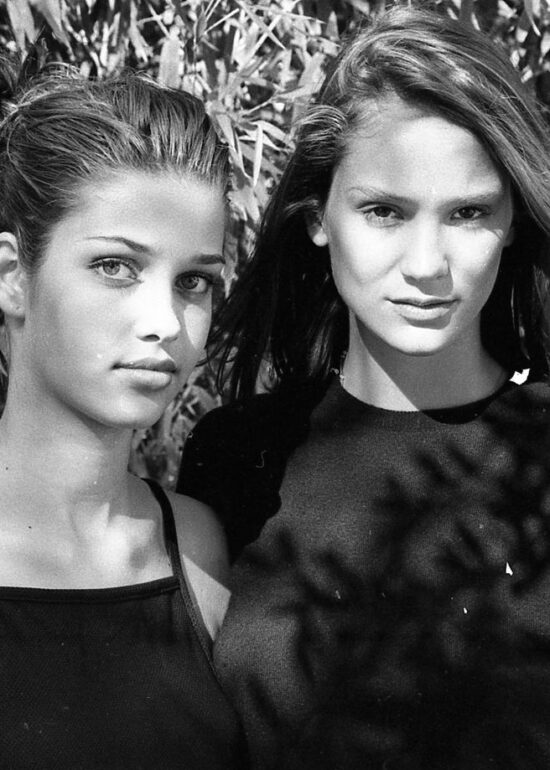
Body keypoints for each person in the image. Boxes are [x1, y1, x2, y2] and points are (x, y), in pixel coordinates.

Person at [178, 7, 550, 769]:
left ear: (513, 220)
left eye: (469, 213)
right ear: (318, 216)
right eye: (384, 211)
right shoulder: (237, 456)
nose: (427, 264)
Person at [0, 56, 248, 768]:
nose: (164, 322)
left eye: (194, 281)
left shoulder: (198, 547)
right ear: (13, 277)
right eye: (116, 267)